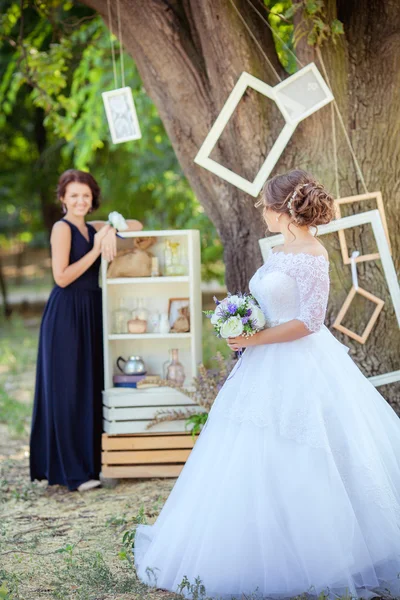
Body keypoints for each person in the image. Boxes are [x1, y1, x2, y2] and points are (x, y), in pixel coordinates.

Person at [134, 169, 400, 599]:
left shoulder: (313, 253)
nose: (262, 212)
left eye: (265, 205)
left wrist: (255, 337)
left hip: (301, 364)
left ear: (284, 208)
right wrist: (245, 323)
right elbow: (274, 304)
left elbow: (311, 321)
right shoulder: (279, 250)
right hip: (262, 361)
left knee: (304, 449)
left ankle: (324, 554)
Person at [30, 169, 142, 492]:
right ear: (63, 198)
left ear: (93, 200)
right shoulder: (61, 229)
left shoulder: (94, 228)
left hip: (92, 311)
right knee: (68, 388)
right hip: (66, 313)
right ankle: (72, 473)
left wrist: (110, 228)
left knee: (89, 385)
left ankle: (91, 465)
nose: (81, 200)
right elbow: (61, 277)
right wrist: (96, 250)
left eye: (86, 196)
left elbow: (138, 227)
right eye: (74, 195)